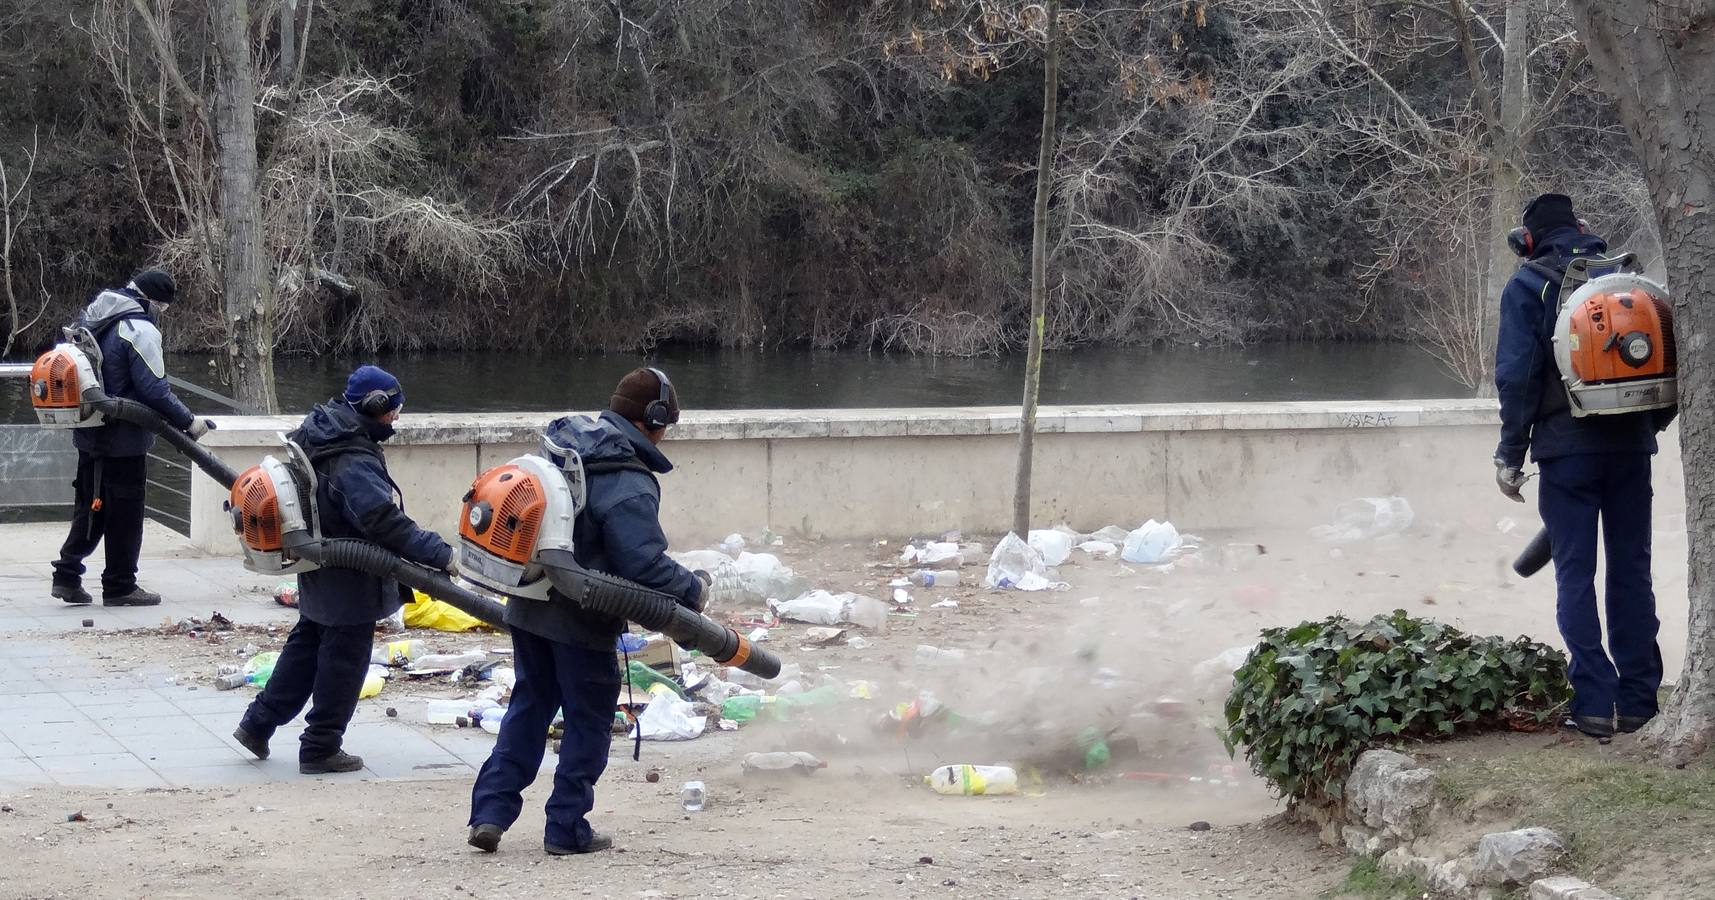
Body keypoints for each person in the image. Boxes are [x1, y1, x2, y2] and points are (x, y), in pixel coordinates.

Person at [467, 367, 705, 855]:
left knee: (529, 710)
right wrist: (693, 590)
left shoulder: (566, 447)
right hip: (583, 620)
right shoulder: (627, 480)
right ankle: (567, 827)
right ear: (653, 419)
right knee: (588, 723)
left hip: (529, 606)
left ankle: (489, 813)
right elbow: (642, 563)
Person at [1493, 193, 1675, 740]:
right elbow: (1668, 362)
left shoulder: (1529, 285)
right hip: (1630, 451)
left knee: (1576, 574)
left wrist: (1511, 454)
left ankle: (1593, 705)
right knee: (1631, 572)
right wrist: (1646, 428)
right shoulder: (1624, 282)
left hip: (1564, 455)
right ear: (1582, 228)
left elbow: (1517, 378)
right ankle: (1640, 701)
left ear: (1527, 240)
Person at [233, 365, 455, 774]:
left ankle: (257, 723)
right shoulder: (350, 458)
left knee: (306, 647)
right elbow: (381, 520)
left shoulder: (324, 429)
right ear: (375, 406)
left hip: (321, 563)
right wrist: (439, 554)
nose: (396, 420)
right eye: (393, 411)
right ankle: (321, 745)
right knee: (344, 662)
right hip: (348, 573)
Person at [50, 269, 213, 608]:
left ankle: (66, 576)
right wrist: (190, 422)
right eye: (163, 308)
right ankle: (121, 586)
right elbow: (154, 389)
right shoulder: (138, 329)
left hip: (89, 432)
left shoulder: (95, 315)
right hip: (124, 441)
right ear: (153, 301)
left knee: (91, 506)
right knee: (125, 515)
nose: (161, 315)